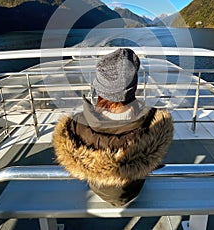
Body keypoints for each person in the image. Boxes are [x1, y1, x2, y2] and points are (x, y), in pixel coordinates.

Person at [53, 48, 173, 206]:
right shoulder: (154, 123)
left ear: (100, 89)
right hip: (134, 190)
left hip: (98, 188)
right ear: (133, 87)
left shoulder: (75, 126)